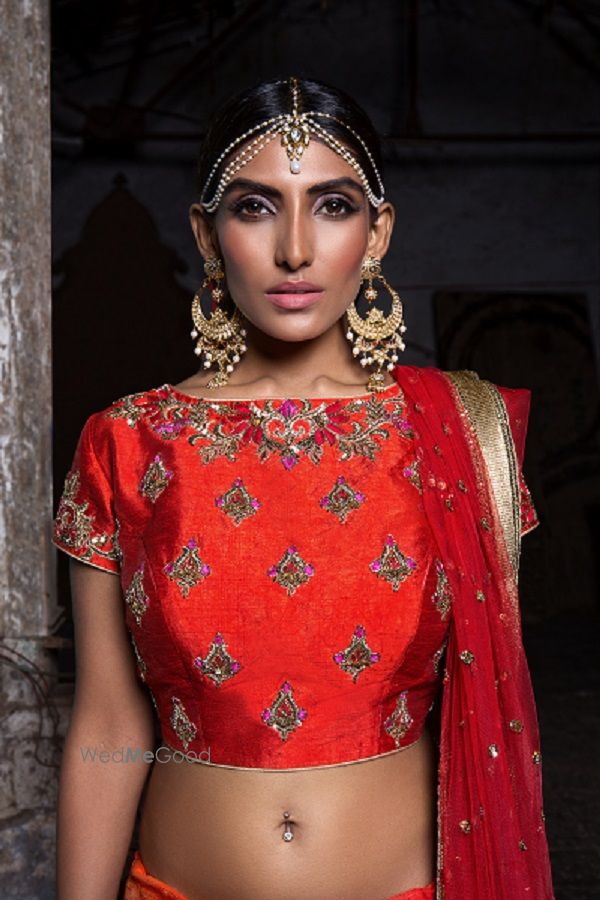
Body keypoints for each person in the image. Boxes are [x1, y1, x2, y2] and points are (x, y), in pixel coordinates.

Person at [52, 76, 555, 900]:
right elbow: (110, 727)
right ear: (207, 237)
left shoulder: (459, 436)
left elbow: (485, 718)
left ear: (379, 231)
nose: (294, 247)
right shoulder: (128, 441)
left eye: (332, 205)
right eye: (254, 208)